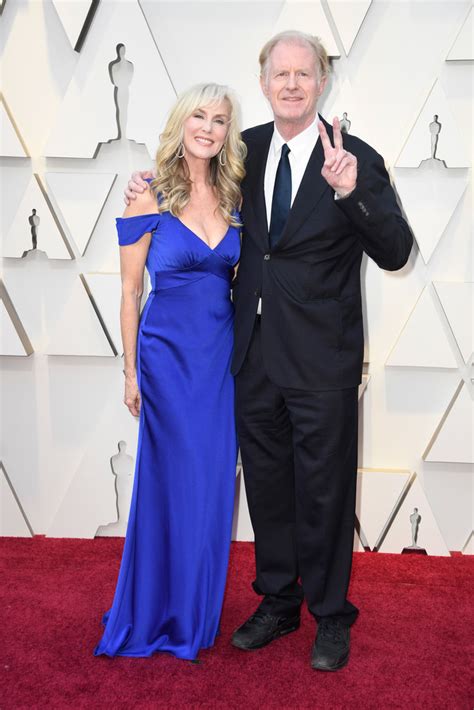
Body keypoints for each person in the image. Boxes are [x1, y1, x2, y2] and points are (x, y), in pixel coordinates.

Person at [125, 31, 413, 671]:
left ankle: (331, 616)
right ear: (263, 83)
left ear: (321, 83)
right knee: (270, 490)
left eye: (303, 74)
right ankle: (279, 601)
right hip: (250, 358)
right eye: (279, 74)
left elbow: (395, 250)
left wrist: (350, 191)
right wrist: (144, 179)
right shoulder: (243, 151)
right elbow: (188, 174)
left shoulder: (354, 157)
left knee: (327, 493)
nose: (290, 84)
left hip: (324, 362)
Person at [94, 83, 246, 661]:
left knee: (209, 486)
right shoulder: (148, 195)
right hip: (165, 360)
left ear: (228, 131)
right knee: (167, 483)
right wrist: (130, 372)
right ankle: (158, 608)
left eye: (220, 120)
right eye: (200, 116)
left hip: (220, 362)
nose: (208, 127)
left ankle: (195, 609)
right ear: (182, 122)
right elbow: (131, 292)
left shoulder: (236, 196)